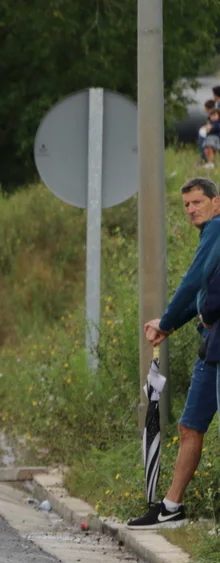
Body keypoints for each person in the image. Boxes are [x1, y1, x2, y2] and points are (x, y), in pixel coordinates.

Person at [133, 177, 220, 528]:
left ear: (216, 202)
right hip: (211, 345)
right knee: (189, 426)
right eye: (186, 205)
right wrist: (168, 326)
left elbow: (192, 280)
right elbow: (201, 293)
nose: (191, 210)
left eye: (198, 202)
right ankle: (171, 507)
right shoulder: (211, 234)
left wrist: (167, 321)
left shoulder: (217, 228)